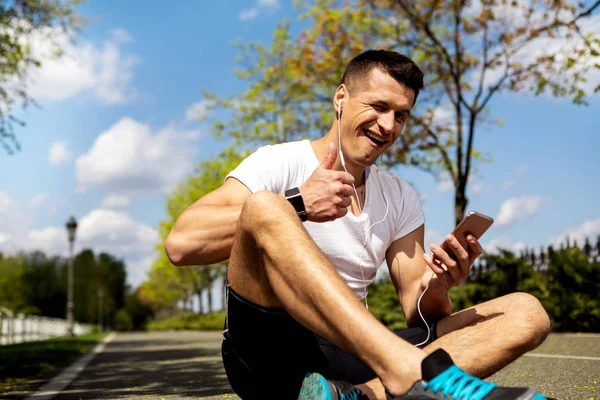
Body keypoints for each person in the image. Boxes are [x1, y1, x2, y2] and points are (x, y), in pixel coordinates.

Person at [166, 50, 551, 400]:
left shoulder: (399, 195)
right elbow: (181, 245)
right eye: (379, 106)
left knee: (526, 312)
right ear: (340, 99)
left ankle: (358, 396)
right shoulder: (277, 163)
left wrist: (439, 284)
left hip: (352, 355)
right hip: (269, 352)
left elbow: (420, 314)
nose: (388, 126)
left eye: (400, 115)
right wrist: (298, 202)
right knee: (266, 206)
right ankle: (407, 373)